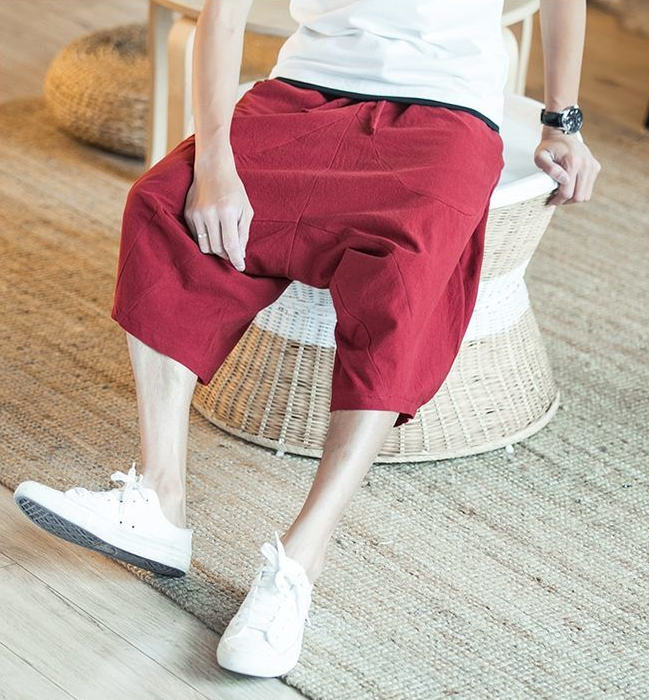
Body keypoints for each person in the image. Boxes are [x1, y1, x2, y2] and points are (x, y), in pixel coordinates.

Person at [13, 0, 601, 679]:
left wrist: (562, 122)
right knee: (162, 204)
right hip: (305, 93)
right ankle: (159, 499)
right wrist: (215, 166)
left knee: (407, 279)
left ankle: (300, 558)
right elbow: (222, 15)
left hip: (447, 113)